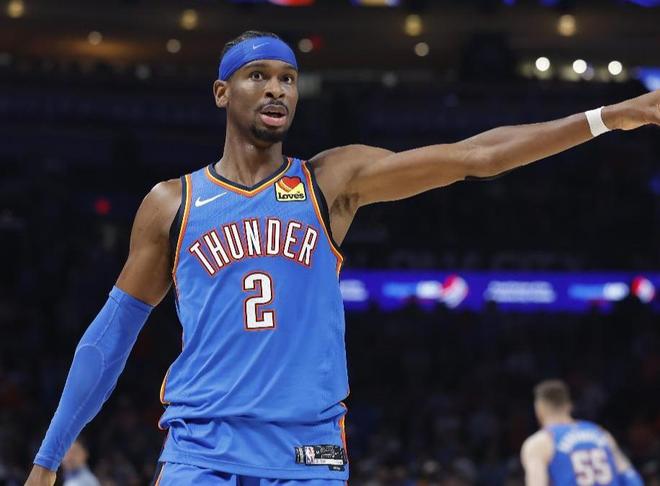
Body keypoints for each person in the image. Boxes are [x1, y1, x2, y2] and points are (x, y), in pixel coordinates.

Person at [25, 30, 660, 486]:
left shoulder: (330, 181)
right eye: (258, 75)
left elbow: (477, 157)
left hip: (309, 454)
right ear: (222, 92)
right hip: (202, 450)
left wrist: (609, 116)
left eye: (287, 78)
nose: (276, 89)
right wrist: (48, 459)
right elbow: (111, 336)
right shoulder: (173, 203)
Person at [520, 380, 643, 486]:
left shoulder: (540, 442)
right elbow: (631, 478)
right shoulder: (601, 433)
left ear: (539, 408)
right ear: (569, 405)